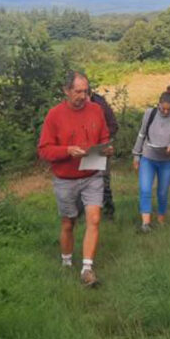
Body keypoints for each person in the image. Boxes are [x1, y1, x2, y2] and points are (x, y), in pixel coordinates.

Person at [38, 70, 113, 287]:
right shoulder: (54, 115)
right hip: (65, 178)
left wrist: (107, 149)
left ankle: (87, 269)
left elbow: (104, 137)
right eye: (78, 92)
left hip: (92, 175)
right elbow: (44, 150)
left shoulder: (96, 110)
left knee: (94, 219)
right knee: (68, 223)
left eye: (85, 91)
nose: (83, 96)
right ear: (66, 91)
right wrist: (67, 150)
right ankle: (67, 261)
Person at [131, 86, 170, 233]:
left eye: (169, 109)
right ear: (159, 104)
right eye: (163, 109)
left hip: (167, 160)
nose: (166, 112)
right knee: (145, 189)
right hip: (148, 157)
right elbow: (142, 134)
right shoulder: (150, 113)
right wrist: (136, 155)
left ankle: (161, 219)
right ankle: (146, 223)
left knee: (162, 192)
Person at [88, 88, 119, 219]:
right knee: (84, 180)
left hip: (100, 145)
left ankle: (108, 212)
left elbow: (113, 125)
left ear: (89, 94)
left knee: (103, 179)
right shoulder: (77, 105)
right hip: (83, 146)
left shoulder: (100, 104)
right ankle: (85, 212)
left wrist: (103, 139)